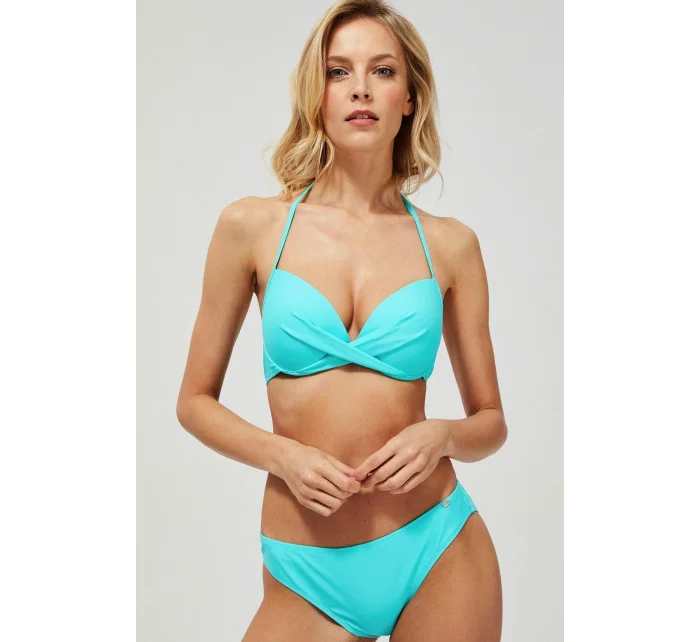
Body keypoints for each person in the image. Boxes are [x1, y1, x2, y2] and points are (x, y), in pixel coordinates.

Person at [176, 1, 507, 640]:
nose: (360, 88)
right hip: (306, 569)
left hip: (436, 545)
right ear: (317, 95)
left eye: (382, 70)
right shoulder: (252, 227)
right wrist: (283, 456)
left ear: (409, 98)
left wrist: (441, 436)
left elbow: (490, 421)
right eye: (338, 71)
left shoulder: (451, 245)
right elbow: (193, 402)